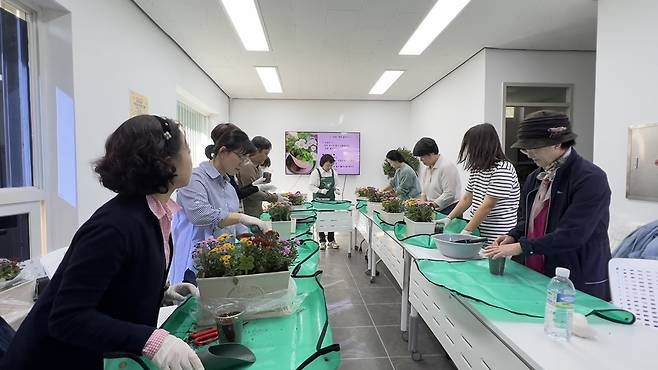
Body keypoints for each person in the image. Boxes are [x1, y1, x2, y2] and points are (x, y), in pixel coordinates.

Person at [0, 115, 203, 370]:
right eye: (186, 149)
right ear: (166, 161)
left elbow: (116, 285)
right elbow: (67, 318)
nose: (191, 157)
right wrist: (151, 340)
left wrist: (159, 294)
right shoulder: (114, 226)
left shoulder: (153, 214)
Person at [484, 111, 612, 300]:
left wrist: (521, 247)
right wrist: (512, 236)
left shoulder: (590, 179)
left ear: (558, 143)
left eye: (532, 147)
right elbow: (526, 220)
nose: (526, 153)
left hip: (574, 277)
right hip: (535, 270)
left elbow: (573, 235)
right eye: (525, 148)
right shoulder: (535, 178)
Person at [170, 123, 271, 284]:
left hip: (220, 264)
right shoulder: (195, 179)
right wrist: (241, 217)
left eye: (246, 158)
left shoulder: (228, 188)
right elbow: (200, 214)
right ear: (223, 151)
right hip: (194, 266)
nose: (243, 163)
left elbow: (234, 227)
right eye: (240, 156)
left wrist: (253, 239)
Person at [437, 123, 520, 243]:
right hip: (479, 231)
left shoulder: (502, 169)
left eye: (470, 146)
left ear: (481, 146)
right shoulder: (478, 169)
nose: (468, 150)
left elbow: (488, 206)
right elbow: (466, 199)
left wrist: (466, 231)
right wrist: (448, 218)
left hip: (499, 236)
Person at [236, 136, 288, 217]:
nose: (266, 157)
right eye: (265, 153)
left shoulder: (257, 167)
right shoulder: (247, 166)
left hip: (255, 211)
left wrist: (269, 191)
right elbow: (252, 193)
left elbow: (256, 188)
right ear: (256, 151)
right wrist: (274, 198)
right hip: (247, 213)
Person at [412, 137, 462, 214]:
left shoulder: (446, 167)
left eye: (422, 157)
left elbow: (449, 194)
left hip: (449, 210)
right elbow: (424, 191)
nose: (421, 160)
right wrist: (422, 202)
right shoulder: (427, 169)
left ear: (431, 153)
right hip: (434, 209)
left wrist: (431, 205)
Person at [309, 154, 342, 250]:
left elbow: (337, 184)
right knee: (321, 220)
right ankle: (322, 241)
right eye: (328, 165)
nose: (329, 167)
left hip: (331, 200)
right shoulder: (316, 172)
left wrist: (337, 189)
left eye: (331, 165)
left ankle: (331, 240)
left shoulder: (333, 172)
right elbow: (311, 186)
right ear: (322, 164)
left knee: (331, 219)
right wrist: (320, 190)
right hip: (320, 200)